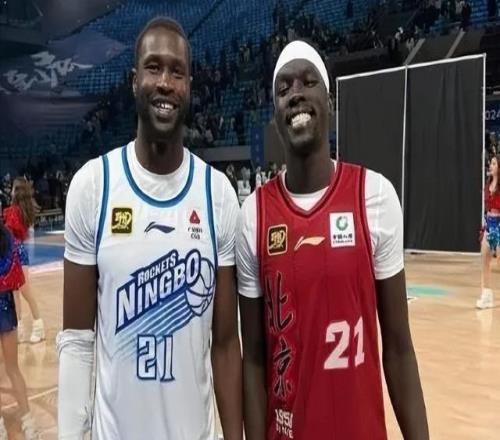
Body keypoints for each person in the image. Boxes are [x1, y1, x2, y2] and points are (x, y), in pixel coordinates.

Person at [57, 17, 242, 439]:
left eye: (177, 72)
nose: (164, 82)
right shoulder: (94, 186)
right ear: (133, 80)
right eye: (153, 67)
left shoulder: (218, 196)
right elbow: (77, 342)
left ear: (189, 86)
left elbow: (226, 344)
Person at [237, 40, 428, 439]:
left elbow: (398, 348)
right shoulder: (253, 215)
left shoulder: (374, 196)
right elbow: (253, 359)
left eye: (308, 82)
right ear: (275, 117)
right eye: (284, 88)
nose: (296, 93)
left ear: (330, 102)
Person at [0, 221, 41, 439]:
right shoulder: (8, 238)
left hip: (6, 307)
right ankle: (29, 423)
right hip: (6, 307)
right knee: (13, 369)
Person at [3, 178, 44, 343]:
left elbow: (9, 232)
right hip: (14, 252)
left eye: (13, 188)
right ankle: (17, 330)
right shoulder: (21, 210)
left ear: (16, 191)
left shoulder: (13, 211)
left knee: (25, 291)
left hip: (16, 253)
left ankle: (39, 326)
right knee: (15, 294)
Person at [477, 154, 500, 309]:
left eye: (494, 163)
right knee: (484, 258)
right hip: (489, 225)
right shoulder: (488, 185)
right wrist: (485, 228)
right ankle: (486, 294)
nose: (490, 166)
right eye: (490, 163)